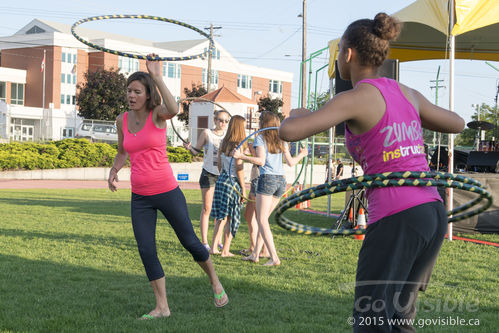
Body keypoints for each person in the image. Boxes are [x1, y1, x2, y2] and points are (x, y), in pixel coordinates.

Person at [279, 13, 464, 332]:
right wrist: (414, 115)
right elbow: (457, 123)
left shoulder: (354, 97)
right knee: (398, 321)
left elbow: (290, 132)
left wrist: (297, 114)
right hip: (431, 214)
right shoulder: (406, 93)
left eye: (338, 54)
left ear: (347, 54)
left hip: (398, 216)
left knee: (372, 321)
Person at [107, 54, 228, 319]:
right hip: (140, 197)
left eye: (137, 91)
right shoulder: (121, 120)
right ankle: (162, 307)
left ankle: (215, 282)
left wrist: (158, 76)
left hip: (167, 192)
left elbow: (174, 108)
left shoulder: (158, 115)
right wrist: (114, 170)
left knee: (190, 242)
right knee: (146, 249)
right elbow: (122, 151)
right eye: (128, 90)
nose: (131, 95)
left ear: (148, 94)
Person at [234, 111, 308, 266]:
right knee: (263, 220)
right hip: (281, 182)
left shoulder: (260, 138)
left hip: (267, 180)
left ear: (264, 123)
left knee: (261, 220)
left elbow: (260, 161)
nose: (258, 122)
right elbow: (291, 163)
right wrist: (302, 155)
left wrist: (241, 156)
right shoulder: (282, 139)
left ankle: (274, 257)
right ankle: (255, 254)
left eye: (260, 120)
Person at [184, 109, 229, 251]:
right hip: (208, 174)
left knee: (220, 211)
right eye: (220, 120)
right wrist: (189, 148)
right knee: (207, 208)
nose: (223, 123)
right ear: (215, 120)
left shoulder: (228, 136)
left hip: (222, 175)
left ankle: (217, 241)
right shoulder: (206, 133)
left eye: (226, 121)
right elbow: (196, 151)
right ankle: (204, 242)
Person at [209, 115, 247, 256]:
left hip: (222, 180)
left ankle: (214, 247)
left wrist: (223, 176)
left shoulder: (224, 142)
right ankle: (225, 250)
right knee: (231, 217)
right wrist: (243, 188)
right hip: (232, 182)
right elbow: (239, 169)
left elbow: (219, 163)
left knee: (221, 217)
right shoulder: (239, 145)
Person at [241, 145, 269, 258]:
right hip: (255, 179)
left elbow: (260, 159)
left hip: (260, 179)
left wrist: (246, 153)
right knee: (248, 215)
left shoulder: (263, 141)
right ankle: (253, 246)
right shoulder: (258, 140)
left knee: (260, 219)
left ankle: (265, 250)